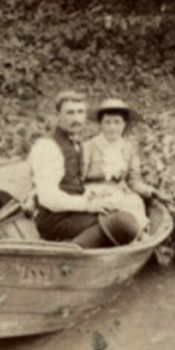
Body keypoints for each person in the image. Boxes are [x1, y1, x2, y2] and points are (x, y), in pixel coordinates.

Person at [30, 91, 141, 247]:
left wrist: (95, 197)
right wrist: (87, 205)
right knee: (120, 223)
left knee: (124, 218)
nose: (76, 119)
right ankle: (70, 252)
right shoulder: (47, 147)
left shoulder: (75, 144)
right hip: (54, 220)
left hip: (73, 213)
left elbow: (75, 182)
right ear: (57, 116)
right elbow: (48, 199)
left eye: (80, 112)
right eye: (70, 113)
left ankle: (82, 248)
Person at [81, 98, 160, 229]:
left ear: (124, 124)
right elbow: (78, 179)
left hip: (119, 193)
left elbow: (134, 182)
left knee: (135, 203)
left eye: (117, 122)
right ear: (100, 124)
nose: (112, 128)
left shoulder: (129, 149)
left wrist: (151, 191)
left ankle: (136, 240)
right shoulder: (88, 147)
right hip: (93, 193)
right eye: (107, 122)